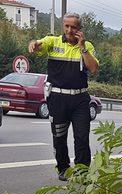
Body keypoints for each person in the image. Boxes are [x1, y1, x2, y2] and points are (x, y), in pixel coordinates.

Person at [28, 12, 99, 181]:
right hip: (57, 99)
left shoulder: (87, 46)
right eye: (66, 26)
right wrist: (34, 44)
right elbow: (39, 44)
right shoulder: (53, 41)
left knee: (81, 138)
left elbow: (94, 68)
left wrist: (82, 48)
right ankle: (63, 169)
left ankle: (82, 173)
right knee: (59, 137)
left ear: (79, 29)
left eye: (73, 26)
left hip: (80, 100)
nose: (69, 30)